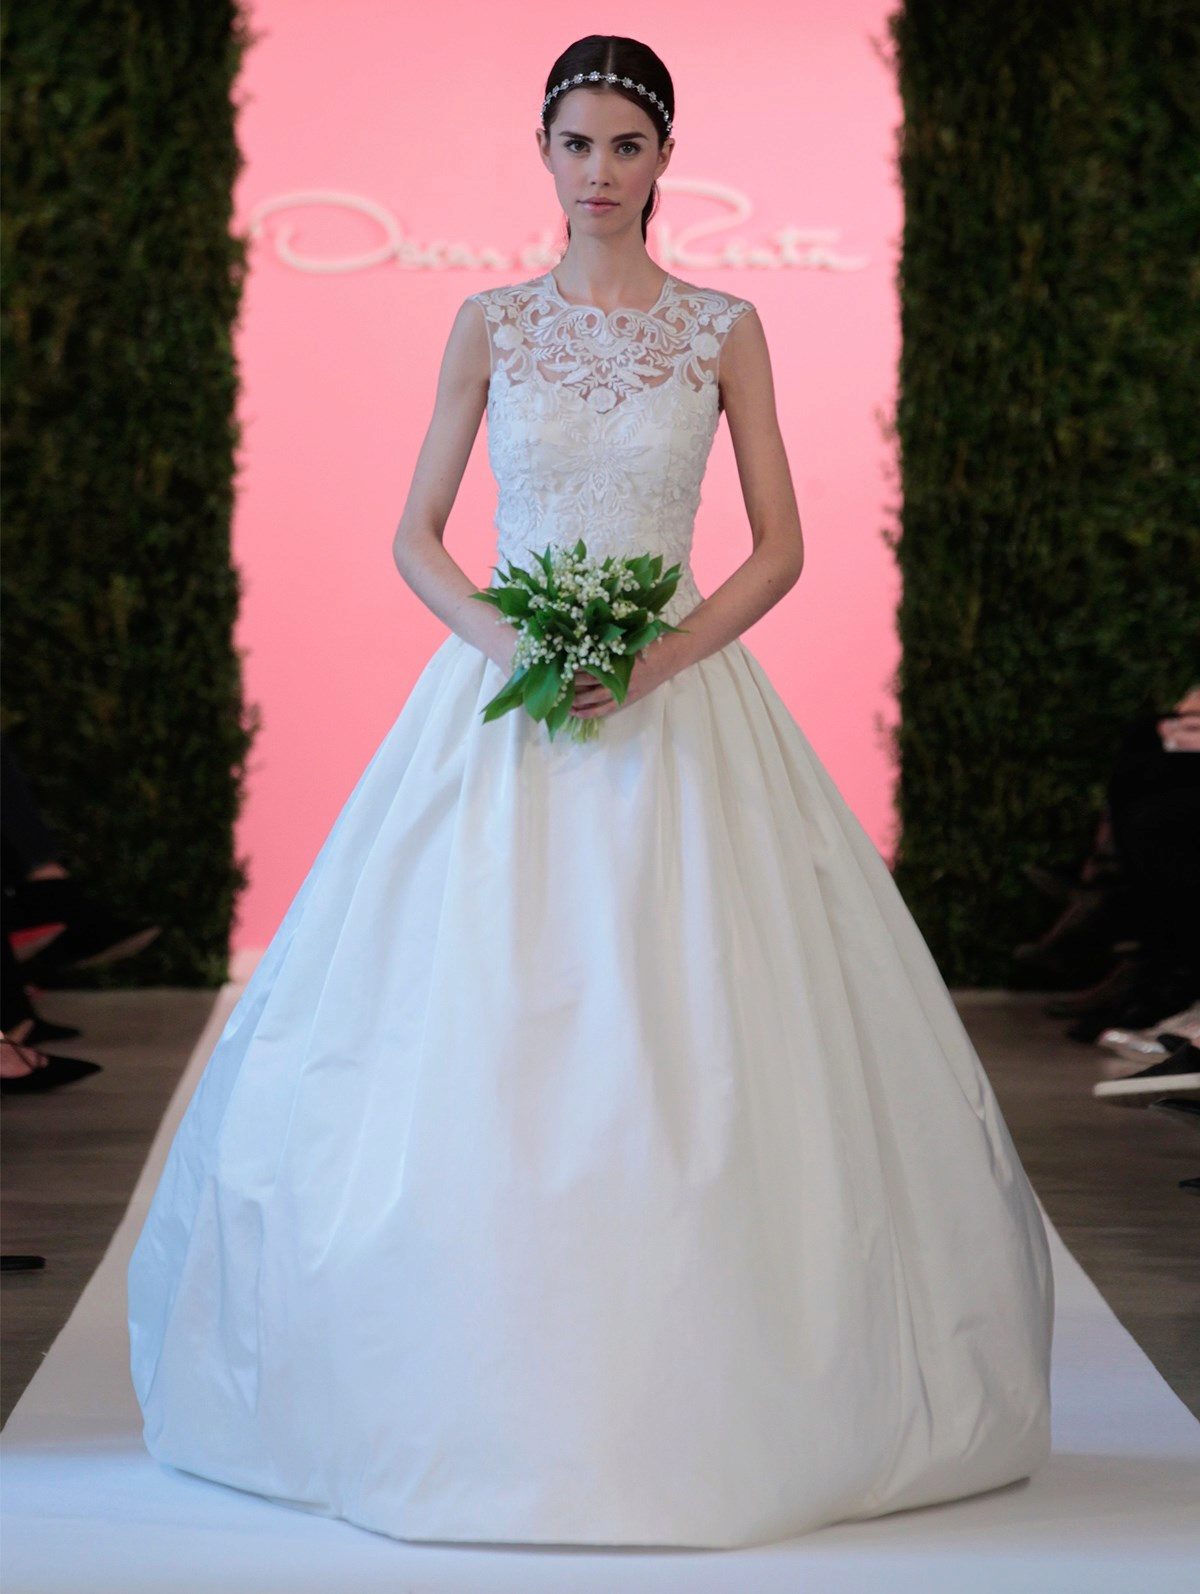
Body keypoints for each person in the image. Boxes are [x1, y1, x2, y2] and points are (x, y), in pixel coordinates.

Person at [126, 35, 1054, 1549]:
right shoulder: (490, 322)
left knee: (694, 1020)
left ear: (666, 155)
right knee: (478, 1018)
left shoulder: (725, 327)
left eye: (627, 144)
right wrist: (517, 645)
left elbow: (780, 544)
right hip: (504, 702)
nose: (600, 171)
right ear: (542, 151)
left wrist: (662, 658)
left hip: (678, 705)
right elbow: (418, 533)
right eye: (577, 143)